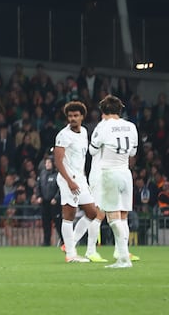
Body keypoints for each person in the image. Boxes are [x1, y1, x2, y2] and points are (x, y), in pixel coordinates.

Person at [89, 95, 139, 268]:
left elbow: (92, 150)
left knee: (112, 218)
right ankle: (122, 255)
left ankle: (124, 258)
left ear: (103, 111)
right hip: (126, 173)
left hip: (109, 173)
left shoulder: (103, 127)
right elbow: (133, 153)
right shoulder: (131, 126)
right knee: (123, 216)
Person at [54, 101, 106, 263]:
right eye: (70, 116)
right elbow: (58, 161)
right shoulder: (63, 135)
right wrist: (69, 181)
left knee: (92, 212)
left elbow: (80, 159)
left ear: (82, 117)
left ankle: (70, 243)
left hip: (80, 178)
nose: (73, 119)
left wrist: (82, 179)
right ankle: (71, 254)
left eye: (76, 116)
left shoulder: (84, 132)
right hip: (68, 179)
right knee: (69, 215)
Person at [36, 156, 60, 247]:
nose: (47, 164)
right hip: (45, 202)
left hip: (54, 202)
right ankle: (46, 241)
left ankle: (63, 240)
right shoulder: (42, 174)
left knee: (58, 222)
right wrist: (39, 196)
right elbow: (38, 186)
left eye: (49, 163)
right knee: (45, 223)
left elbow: (60, 189)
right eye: (46, 163)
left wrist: (56, 198)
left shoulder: (57, 174)